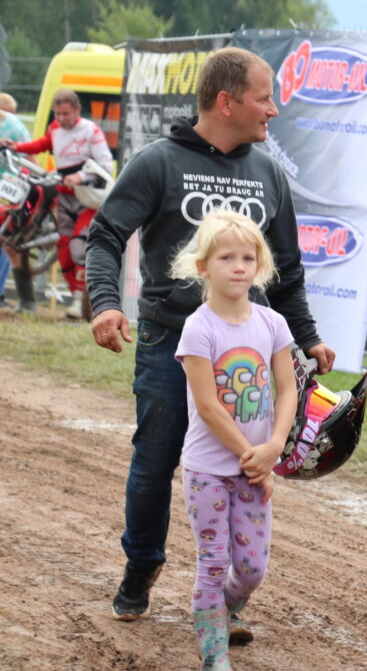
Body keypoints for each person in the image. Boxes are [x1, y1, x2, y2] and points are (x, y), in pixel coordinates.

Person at [86, 47, 335, 641]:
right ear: (226, 102)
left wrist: (306, 337)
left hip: (249, 353)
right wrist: (106, 303)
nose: (272, 110)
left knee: (245, 464)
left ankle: (227, 597)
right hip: (172, 342)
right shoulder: (159, 162)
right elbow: (106, 234)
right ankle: (141, 566)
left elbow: (287, 271)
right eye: (263, 98)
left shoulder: (269, 172)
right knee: (155, 461)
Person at [170, 209, 297, 669]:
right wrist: (252, 455)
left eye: (247, 258)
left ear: (259, 265)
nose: (238, 267)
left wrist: (274, 447)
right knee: (212, 561)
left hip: (255, 469)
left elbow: (288, 389)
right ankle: (213, 655)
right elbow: (208, 406)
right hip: (208, 470)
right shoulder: (198, 328)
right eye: (226, 258)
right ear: (203, 266)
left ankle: (221, 609)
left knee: (251, 569)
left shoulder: (273, 324)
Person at [1, 89, 114, 318]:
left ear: (77, 111)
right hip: (63, 195)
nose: (62, 119)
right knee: (63, 249)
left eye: (66, 114)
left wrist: (80, 177)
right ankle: (75, 296)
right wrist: (16, 147)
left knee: (78, 246)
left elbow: (106, 165)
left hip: (87, 197)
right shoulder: (55, 128)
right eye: (58, 114)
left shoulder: (91, 131)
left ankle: (81, 300)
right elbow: (41, 144)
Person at [0, 92, 33, 310]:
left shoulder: (14, 126)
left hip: (8, 191)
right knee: (7, 242)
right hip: (11, 191)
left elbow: (29, 155)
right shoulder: (16, 126)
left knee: (6, 241)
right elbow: (31, 158)